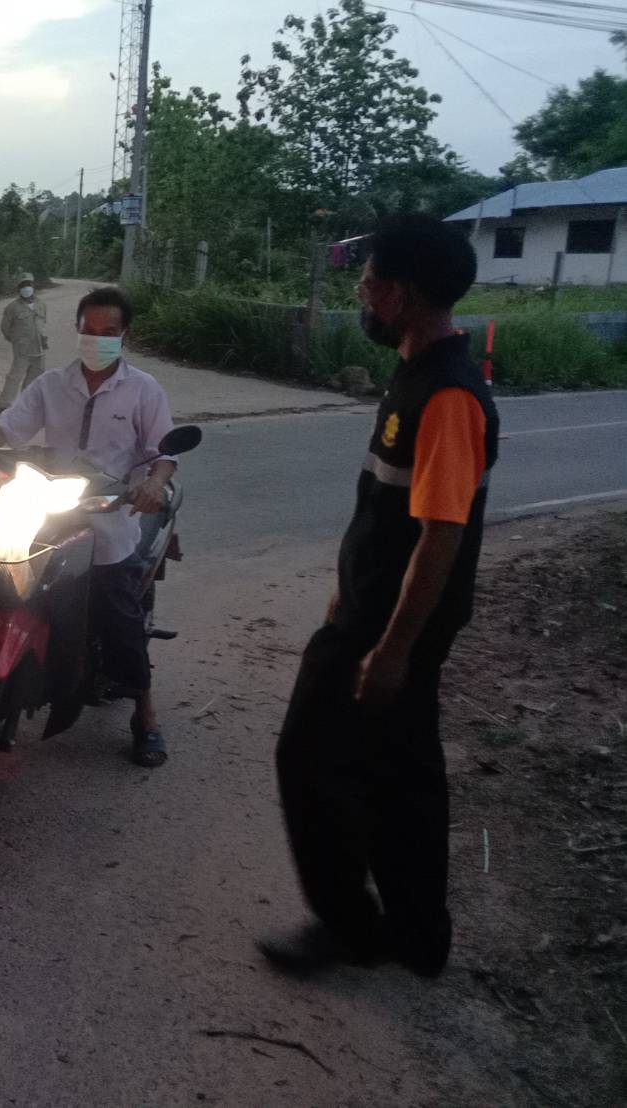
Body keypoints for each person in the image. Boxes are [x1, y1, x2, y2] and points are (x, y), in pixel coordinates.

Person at [260, 214, 499, 979]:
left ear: (401, 293)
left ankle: (351, 927)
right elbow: (384, 514)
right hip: (370, 611)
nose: (360, 296)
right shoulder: (415, 375)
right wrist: (346, 593)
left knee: (309, 757)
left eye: (367, 285)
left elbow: (440, 538)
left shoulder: (448, 396)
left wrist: (391, 648)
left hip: (391, 628)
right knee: (399, 774)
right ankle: (417, 937)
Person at [0, 286, 177, 767]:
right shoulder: (51, 384)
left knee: (119, 617)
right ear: (76, 330)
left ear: (124, 334)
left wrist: (154, 483)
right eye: (89, 330)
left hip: (110, 516)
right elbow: (10, 425)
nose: (97, 339)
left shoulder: (144, 390)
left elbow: (162, 453)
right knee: (0, 574)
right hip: (51, 508)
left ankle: (145, 712)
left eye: (108, 331)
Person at [0, 272, 48, 412]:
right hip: (22, 350)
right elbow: (5, 328)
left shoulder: (41, 305)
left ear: (33, 285)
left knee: (35, 377)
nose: (26, 287)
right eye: (23, 285)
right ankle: (4, 405)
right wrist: (17, 340)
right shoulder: (12, 308)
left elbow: (43, 323)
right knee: (14, 377)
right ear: (18, 288)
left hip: (39, 348)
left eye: (28, 284)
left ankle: (26, 402)